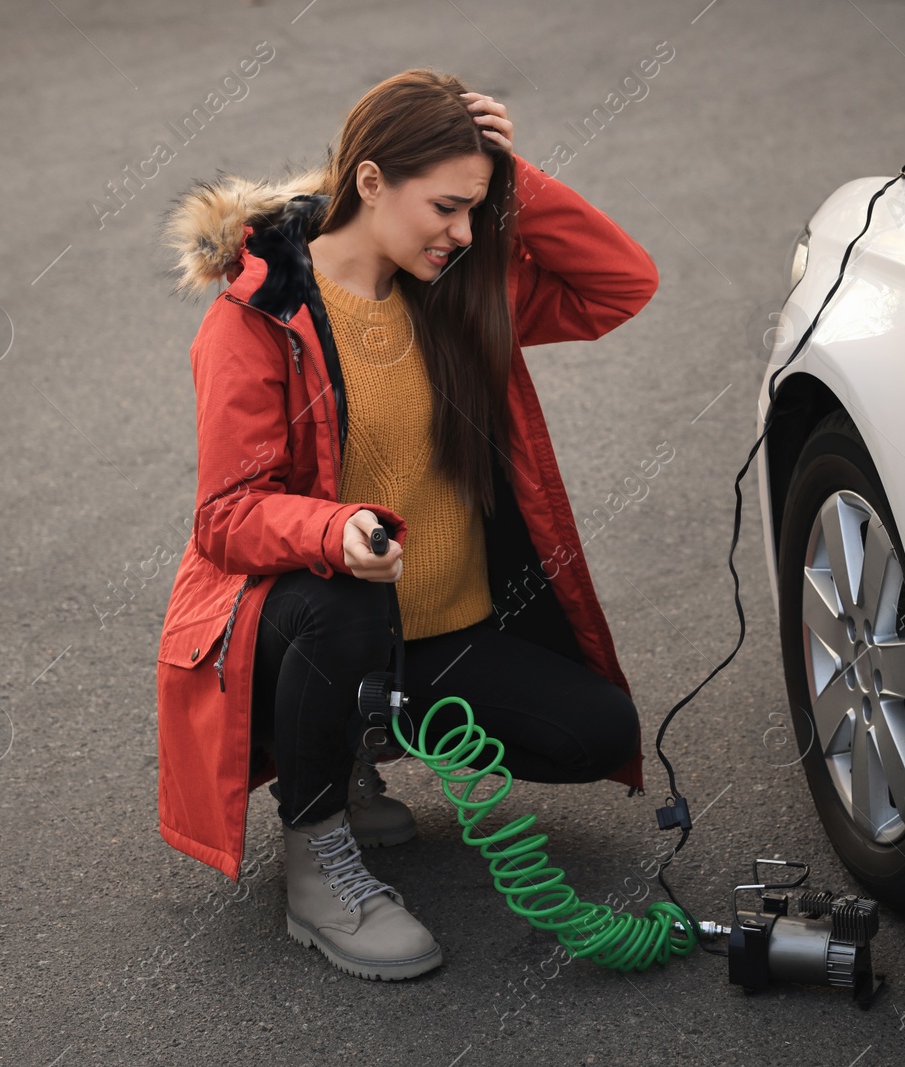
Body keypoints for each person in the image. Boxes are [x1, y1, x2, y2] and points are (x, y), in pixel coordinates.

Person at [154, 68, 660, 981]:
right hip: (307, 622)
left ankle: (357, 732)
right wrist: (332, 529)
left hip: (437, 632)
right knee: (337, 598)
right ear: (373, 182)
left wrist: (514, 175)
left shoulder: (455, 291)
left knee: (594, 728)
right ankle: (317, 857)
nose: (463, 233)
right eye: (447, 207)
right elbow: (224, 517)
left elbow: (621, 284)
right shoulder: (257, 316)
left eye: (477, 210)